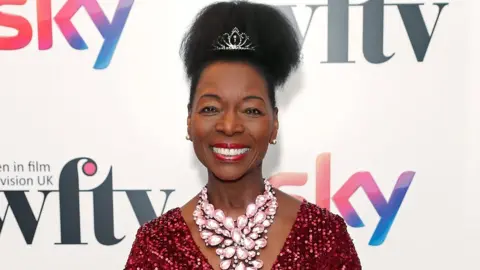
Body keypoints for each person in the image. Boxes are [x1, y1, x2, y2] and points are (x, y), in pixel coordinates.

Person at [124, 1, 361, 269]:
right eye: (211, 108)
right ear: (189, 121)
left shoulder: (323, 237)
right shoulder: (156, 245)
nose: (229, 125)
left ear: (274, 125)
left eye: (251, 110)